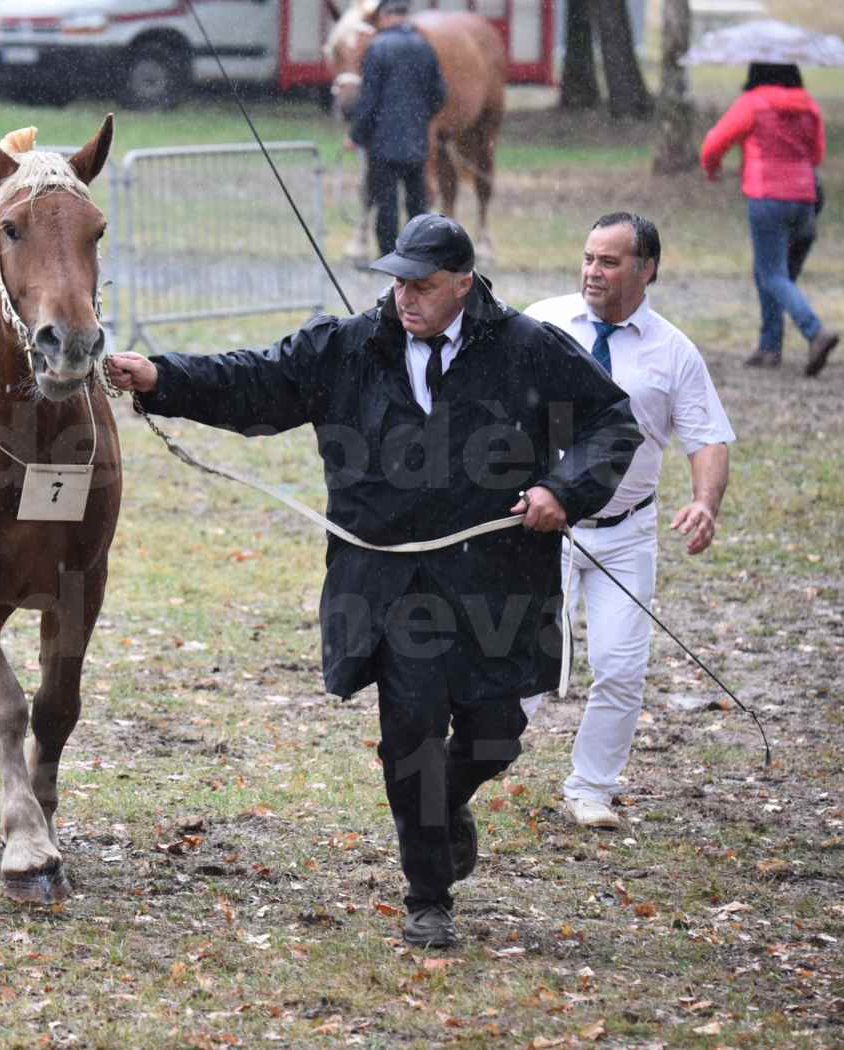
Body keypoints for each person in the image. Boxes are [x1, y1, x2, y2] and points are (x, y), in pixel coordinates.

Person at [104, 213, 643, 948]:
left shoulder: (524, 348)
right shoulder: (347, 346)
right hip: (391, 588)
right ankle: (428, 896)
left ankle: (446, 806)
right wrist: (162, 377)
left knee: (495, 735)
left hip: (497, 580)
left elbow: (610, 421)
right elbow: (256, 381)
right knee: (410, 736)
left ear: (462, 284)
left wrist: (563, 489)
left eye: (422, 285)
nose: (404, 299)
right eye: (397, 283)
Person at [523, 214, 735, 830]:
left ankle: (591, 786)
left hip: (627, 532)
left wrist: (705, 503)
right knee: (524, 658)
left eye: (610, 262)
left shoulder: (673, 352)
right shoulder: (543, 324)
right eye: (589, 258)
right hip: (543, 526)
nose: (593, 271)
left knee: (619, 668)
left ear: (647, 271)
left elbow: (707, 437)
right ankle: (474, 766)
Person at [700, 62, 835, 376]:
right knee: (775, 274)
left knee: (772, 273)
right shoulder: (808, 104)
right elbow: (816, 154)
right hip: (805, 199)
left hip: (768, 198)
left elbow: (715, 143)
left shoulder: (754, 102)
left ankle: (815, 332)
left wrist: (712, 169)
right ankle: (769, 347)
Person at [346, 0, 446, 257]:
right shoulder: (425, 47)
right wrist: (420, 118)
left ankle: (389, 257)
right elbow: (439, 95)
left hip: (383, 143)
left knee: (387, 204)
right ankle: (419, 257)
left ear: (386, 16)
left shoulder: (377, 48)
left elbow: (369, 100)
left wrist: (356, 135)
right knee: (417, 204)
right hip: (417, 142)